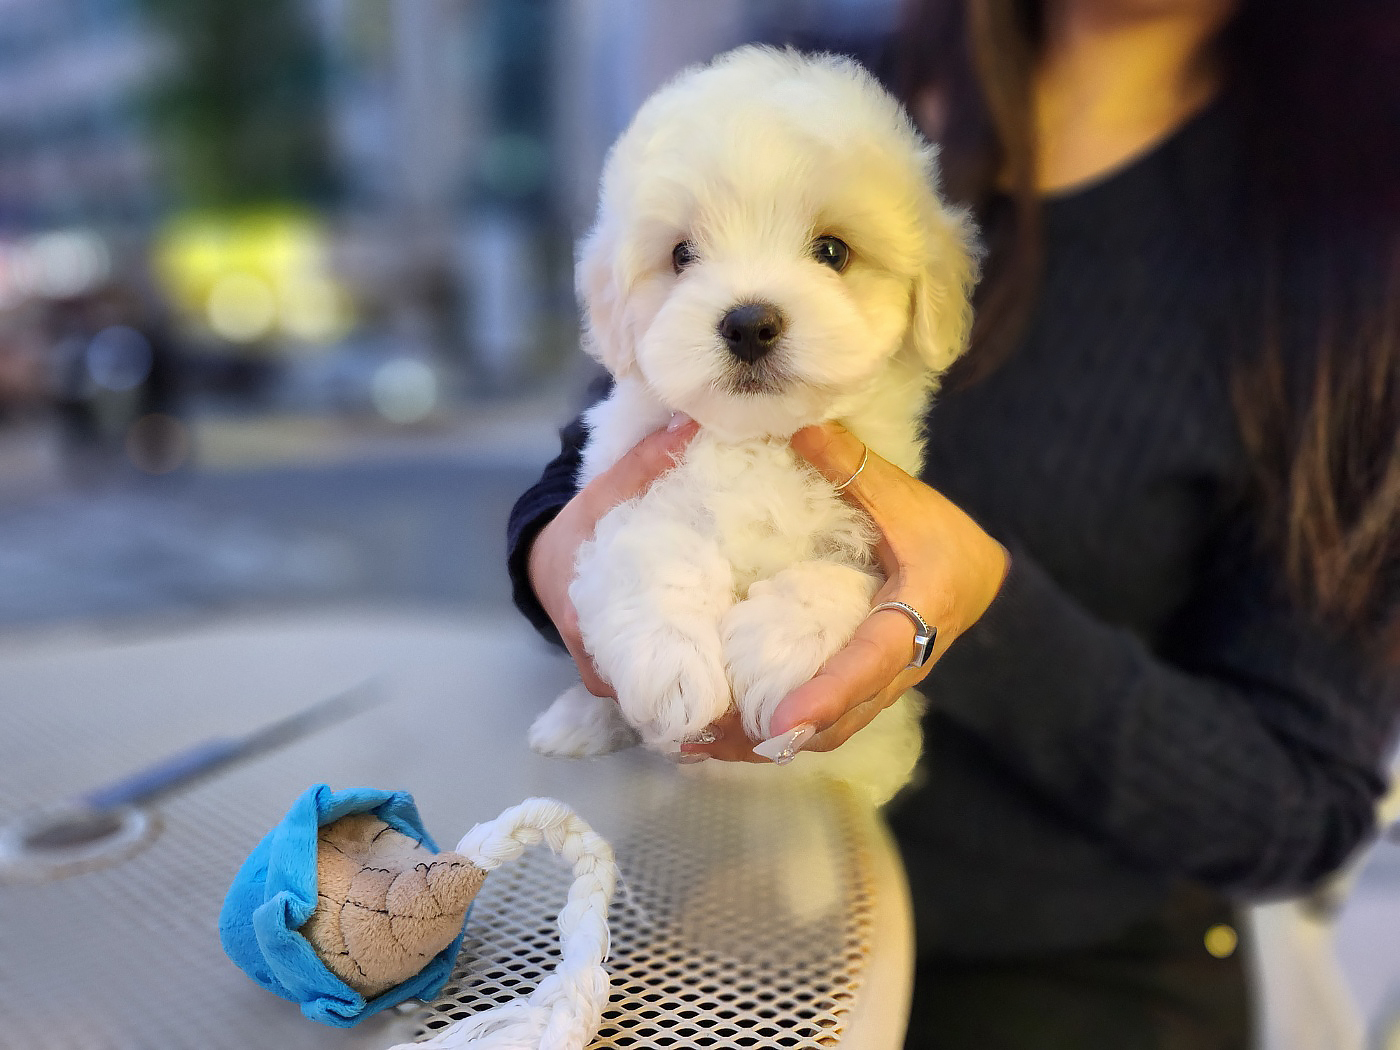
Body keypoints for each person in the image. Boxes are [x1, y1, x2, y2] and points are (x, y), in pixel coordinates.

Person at [507, 1, 1400, 1045]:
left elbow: (1300, 807)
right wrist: (554, 555)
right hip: (690, 906)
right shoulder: (819, 78)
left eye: (830, 250)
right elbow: (611, 420)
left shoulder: (1344, 246)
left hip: (1070, 973)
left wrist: (983, 618)